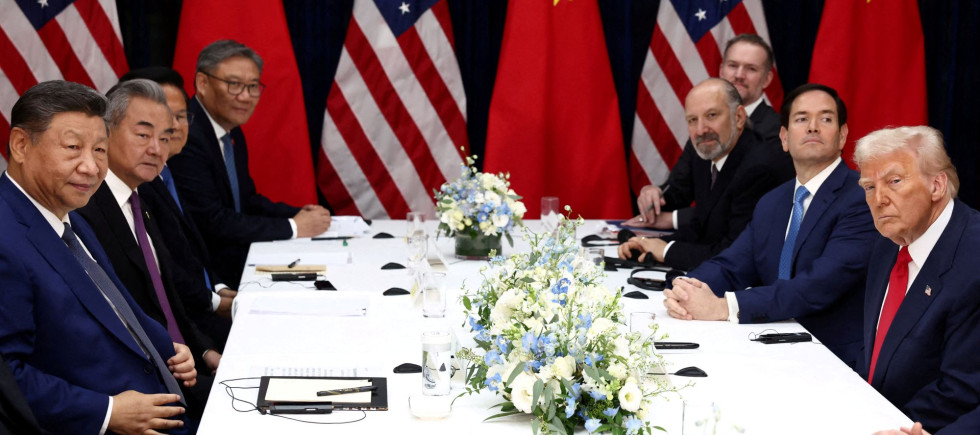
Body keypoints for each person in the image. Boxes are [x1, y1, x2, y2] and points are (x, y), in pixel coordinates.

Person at [0, 80, 196, 434]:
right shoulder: (5, 236)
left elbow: (116, 306)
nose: (91, 167)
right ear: (20, 145)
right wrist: (106, 412)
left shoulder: (69, 217)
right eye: (73, 147)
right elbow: (7, 377)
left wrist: (166, 347)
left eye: (100, 150)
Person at [658, 84, 876, 367]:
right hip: (766, 344)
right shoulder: (773, 201)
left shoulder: (861, 198)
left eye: (825, 118)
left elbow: (818, 286)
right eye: (801, 119)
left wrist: (724, 307)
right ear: (784, 138)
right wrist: (685, 288)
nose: (812, 127)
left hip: (832, 357)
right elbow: (731, 265)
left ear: (842, 135)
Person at [76, 79, 222, 416]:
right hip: (143, 388)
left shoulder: (143, 195)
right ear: (105, 133)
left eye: (165, 138)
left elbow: (166, 297)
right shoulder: (84, 208)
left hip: (185, 365)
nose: (157, 149)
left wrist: (204, 351)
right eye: (143, 135)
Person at [168, 40, 331, 287]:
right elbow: (212, 220)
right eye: (234, 84)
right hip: (208, 275)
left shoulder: (230, 129)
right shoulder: (187, 134)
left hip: (236, 260)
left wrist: (298, 213)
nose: (245, 97)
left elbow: (246, 201)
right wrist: (293, 227)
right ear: (202, 83)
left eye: (253, 86)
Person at [854, 126, 980, 433]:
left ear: (937, 185)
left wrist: (888, 426)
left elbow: (961, 389)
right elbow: (877, 352)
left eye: (894, 181)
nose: (878, 199)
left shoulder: (974, 260)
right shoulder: (889, 241)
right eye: (869, 187)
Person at [617, 78, 794, 270]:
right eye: (692, 120)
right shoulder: (707, 154)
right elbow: (701, 230)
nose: (701, 130)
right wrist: (645, 244)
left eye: (711, 115)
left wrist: (666, 250)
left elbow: (735, 255)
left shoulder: (759, 167)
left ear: (739, 117)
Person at [119, 66, 234, 348]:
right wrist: (213, 303)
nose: (175, 127)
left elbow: (192, 250)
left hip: (193, 321)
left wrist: (217, 288)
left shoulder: (166, 172)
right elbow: (163, 273)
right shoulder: (137, 182)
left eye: (181, 116)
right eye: (145, 132)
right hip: (185, 325)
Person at [719, 34, 780, 140]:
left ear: (766, 79)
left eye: (751, 69)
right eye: (733, 65)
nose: (739, 75)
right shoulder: (705, 124)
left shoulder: (778, 131)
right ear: (721, 72)